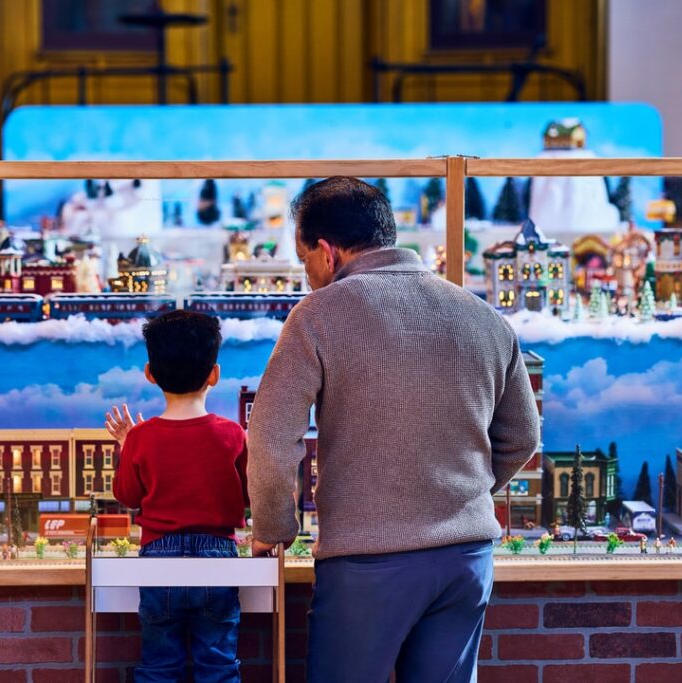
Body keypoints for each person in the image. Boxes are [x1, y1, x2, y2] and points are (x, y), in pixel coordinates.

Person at [247, 177, 541, 683]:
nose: (309, 275)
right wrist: (460, 493)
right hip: (465, 560)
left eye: (305, 261)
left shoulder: (317, 316)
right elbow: (523, 436)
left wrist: (274, 530)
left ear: (327, 251)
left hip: (366, 562)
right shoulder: (483, 317)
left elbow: (272, 441)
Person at [106, 310, 249, 683]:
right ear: (214, 374)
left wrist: (126, 445)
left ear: (150, 373)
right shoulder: (234, 435)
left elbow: (127, 495)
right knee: (218, 665)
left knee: (159, 666)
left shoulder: (141, 438)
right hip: (219, 560)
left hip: (158, 560)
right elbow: (250, 495)